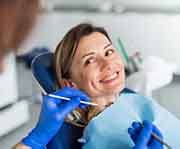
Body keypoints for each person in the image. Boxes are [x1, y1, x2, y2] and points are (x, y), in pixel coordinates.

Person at [14, 23, 165, 149]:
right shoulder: (98, 132)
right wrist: (35, 139)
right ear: (70, 84)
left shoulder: (133, 100)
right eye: (90, 60)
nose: (108, 64)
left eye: (109, 51)